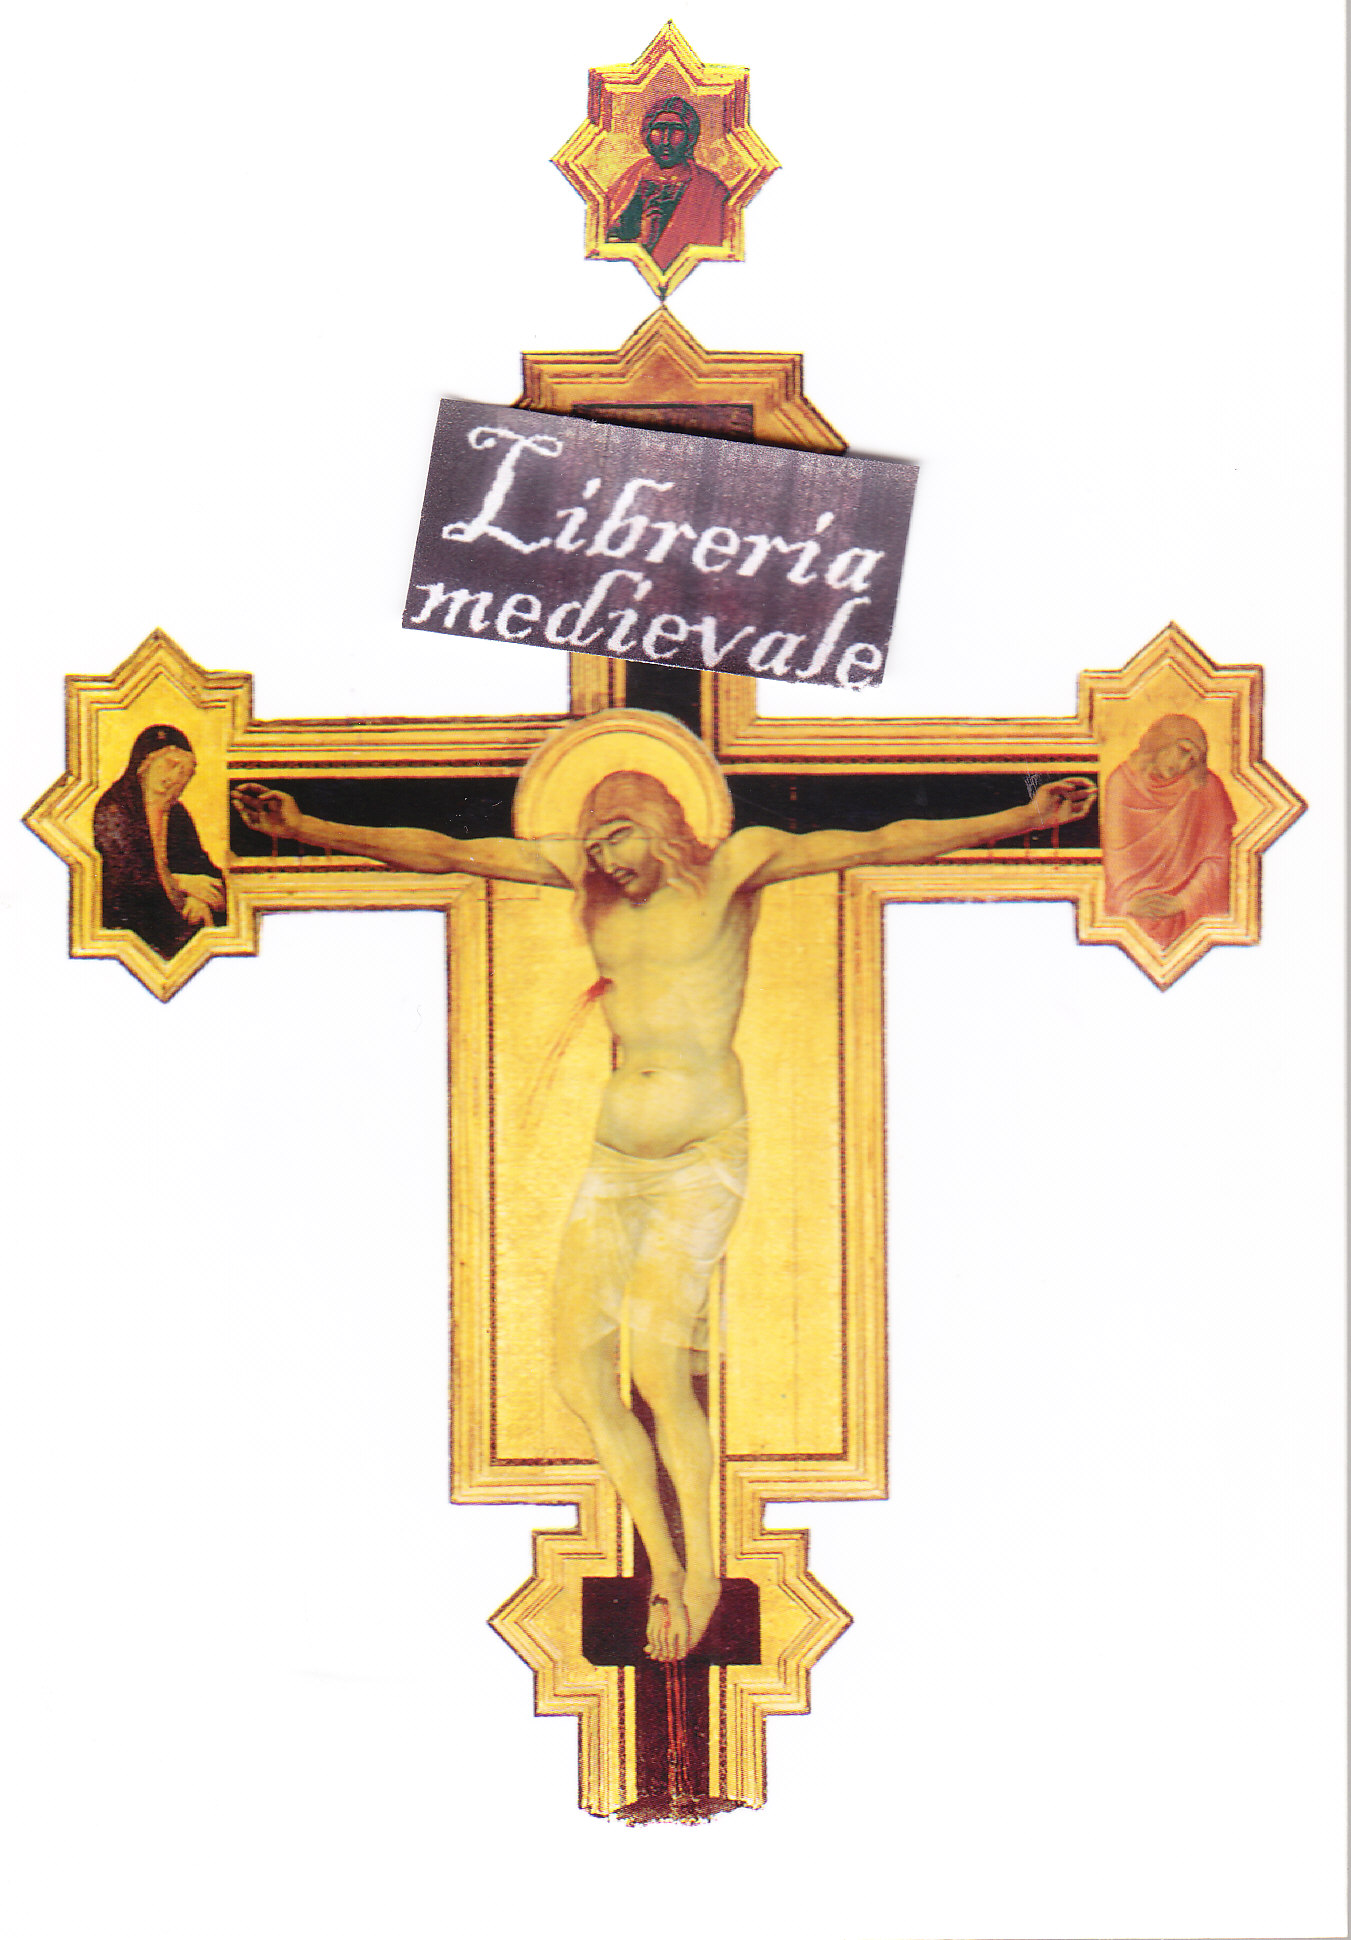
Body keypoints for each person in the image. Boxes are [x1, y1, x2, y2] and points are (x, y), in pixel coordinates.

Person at [232, 757, 1096, 1660]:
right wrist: (307, 830)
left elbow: (880, 842)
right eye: (595, 843)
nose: (605, 859)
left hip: (699, 1158)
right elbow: (446, 851)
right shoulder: (583, 877)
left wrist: (1019, 817)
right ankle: (663, 1562)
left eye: (619, 837)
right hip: (615, 1160)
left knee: (655, 1368)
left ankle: (704, 1574)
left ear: (662, 825)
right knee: (578, 1377)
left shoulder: (737, 866)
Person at [1101, 714, 1235, 949]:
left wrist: (1183, 901)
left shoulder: (1205, 789)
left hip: (1189, 916)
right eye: (1182, 751)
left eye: (1192, 760)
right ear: (1161, 741)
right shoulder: (1120, 783)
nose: (1183, 765)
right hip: (1132, 914)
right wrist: (1128, 903)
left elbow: (1220, 859)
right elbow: (1113, 858)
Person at [94, 724, 226, 958]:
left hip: (179, 915)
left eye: (184, 773)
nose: (174, 778)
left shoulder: (176, 813)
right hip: (134, 926)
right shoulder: (115, 810)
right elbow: (126, 880)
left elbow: (201, 867)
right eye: (170, 765)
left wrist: (199, 899)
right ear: (145, 764)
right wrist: (180, 883)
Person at [605, 95, 729, 271]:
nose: (666, 140)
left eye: (676, 130)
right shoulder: (631, 179)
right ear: (647, 133)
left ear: (690, 136)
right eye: (659, 129)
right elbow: (605, 237)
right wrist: (640, 242)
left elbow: (716, 244)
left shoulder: (710, 188)